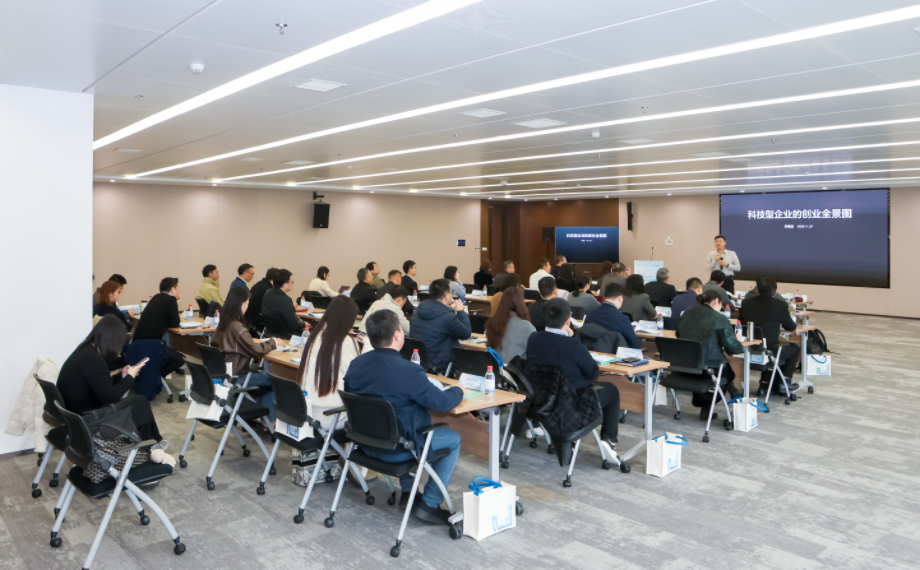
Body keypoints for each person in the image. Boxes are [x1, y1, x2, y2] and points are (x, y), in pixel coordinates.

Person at [344, 310, 465, 524]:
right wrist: (459, 390)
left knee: (403, 423)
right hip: (397, 450)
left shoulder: (356, 364)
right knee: (452, 438)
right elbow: (443, 403)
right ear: (398, 335)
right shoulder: (408, 371)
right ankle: (430, 503)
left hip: (364, 445)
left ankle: (409, 493)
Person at [526, 298, 622, 458]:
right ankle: (608, 439)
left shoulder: (533, 339)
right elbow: (592, 372)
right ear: (568, 321)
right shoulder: (574, 346)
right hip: (574, 405)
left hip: (543, 402)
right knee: (612, 390)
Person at [57, 316, 165, 445]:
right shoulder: (94, 359)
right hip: (86, 418)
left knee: (139, 405)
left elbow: (101, 385)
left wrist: (122, 376)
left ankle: (151, 444)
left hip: (76, 414)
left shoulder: (85, 351)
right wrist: (130, 378)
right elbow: (110, 397)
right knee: (140, 403)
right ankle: (153, 444)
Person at [211, 287, 284, 421]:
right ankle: (268, 421)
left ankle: (255, 418)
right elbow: (255, 350)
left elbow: (241, 342)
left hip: (225, 373)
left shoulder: (224, 323)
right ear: (242, 304)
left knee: (262, 376)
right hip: (237, 376)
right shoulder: (236, 326)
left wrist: (258, 341)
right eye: (247, 303)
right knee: (272, 379)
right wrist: (273, 342)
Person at [676, 289, 745, 420]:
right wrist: (738, 341)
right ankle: (734, 398)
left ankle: (733, 396)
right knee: (726, 371)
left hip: (685, 367)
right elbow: (734, 349)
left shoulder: (687, 313)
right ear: (716, 301)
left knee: (725, 369)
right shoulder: (719, 319)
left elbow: (678, 334)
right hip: (708, 370)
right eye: (721, 305)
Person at [298, 296, 361, 430]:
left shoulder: (314, 336)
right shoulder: (345, 341)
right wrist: (367, 344)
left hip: (307, 411)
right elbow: (356, 374)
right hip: (333, 415)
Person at [739, 277, 800, 395]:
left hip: (748, 348)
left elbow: (740, 322)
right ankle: (783, 383)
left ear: (758, 290)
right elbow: (791, 327)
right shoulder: (780, 305)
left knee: (769, 347)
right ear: (775, 291)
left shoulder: (746, 303)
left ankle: (764, 385)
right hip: (769, 350)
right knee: (794, 348)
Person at [410, 278, 471, 374]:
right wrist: (460, 311)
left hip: (420, 363)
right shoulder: (447, 316)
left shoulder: (416, 312)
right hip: (441, 366)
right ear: (446, 296)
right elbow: (466, 333)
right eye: (451, 292)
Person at [133, 277, 187, 378]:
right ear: (173, 290)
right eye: (178, 288)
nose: (179, 292)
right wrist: (175, 303)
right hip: (150, 346)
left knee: (172, 354)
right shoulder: (171, 300)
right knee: (180, 359)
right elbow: (175, 323)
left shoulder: (156, 297)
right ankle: (155, 377)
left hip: (137, 344)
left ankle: (151, 375)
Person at [485, 286, 534, 363]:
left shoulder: (493, 321)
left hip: (495, 366)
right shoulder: (526, 326)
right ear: (521, 303)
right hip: (515, 368)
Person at [584, 283, 641, 349]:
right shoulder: (622, 319)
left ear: (604, 297)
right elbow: (635, 345)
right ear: (620, 298)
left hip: (590, 352)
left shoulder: (590, 314)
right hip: (615, 354)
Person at [262, 269, 306, 338]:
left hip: (269, 332)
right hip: (286, 335)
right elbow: (293, 324)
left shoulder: (267, 293)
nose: (292, 283)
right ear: (285, 285)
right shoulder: (285, 299)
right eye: (291, 281)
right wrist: (304, 324)